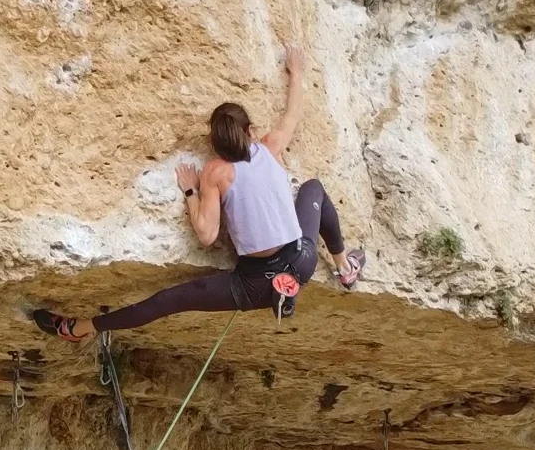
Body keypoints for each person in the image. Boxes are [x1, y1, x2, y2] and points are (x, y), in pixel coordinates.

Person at [32, 44, 365, 342]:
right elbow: (294, 112)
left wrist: (191, 190)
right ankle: (344, 266)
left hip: (254, 284)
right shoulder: (271, 147)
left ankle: (77, 330)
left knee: (167, 302)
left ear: (214, 145)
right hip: (299, 262)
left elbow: (207, 235)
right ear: (250, 131)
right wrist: (297, 71)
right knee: (314, 189)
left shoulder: (216, 172)